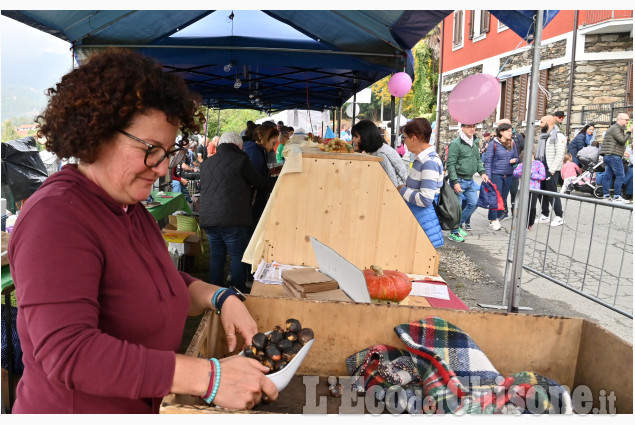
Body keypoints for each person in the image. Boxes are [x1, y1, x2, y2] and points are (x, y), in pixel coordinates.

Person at [6, 48, 278, 414]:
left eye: (168, 150)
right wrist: (208, 378)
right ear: (97, 134)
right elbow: (68, 351)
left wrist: (219, 297)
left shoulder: (128, 207)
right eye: (151, 150)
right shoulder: (55, 216)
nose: (163, 167)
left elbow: (161, 281)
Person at [199, 132, 275, 293]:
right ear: (238, 146)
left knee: (217, 256)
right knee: (237, 256)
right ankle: (237, 291)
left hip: (209, 218)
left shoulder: (206, 163)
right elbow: (260, 183)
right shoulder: (241, 160)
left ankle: (215, 292)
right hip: (233, 218)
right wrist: (279, 180)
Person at [396, 118, 444, 248]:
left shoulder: (429, 162)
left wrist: (401, 189)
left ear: (414, 138)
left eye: (404, 137)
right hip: (420, 221)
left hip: (424, 222)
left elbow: (425, 199)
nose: (403, 142)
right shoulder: (421, 159)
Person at [445, 122, 489, 242]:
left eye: (473, 126)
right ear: (462, 128)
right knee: (457, 208)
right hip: (459, 179)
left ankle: (458, 225)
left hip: (470, 179)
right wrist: (454, 182)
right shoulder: (455, 144)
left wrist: (482, 173)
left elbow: (477, 160)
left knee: (474, 203)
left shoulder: (474, 143)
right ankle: (453, 233)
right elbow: (451, 164)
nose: (472, 129)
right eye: (469, 127)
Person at [352, 119, 408, 188]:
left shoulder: (381, 155)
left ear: (366, 137)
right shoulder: (374, 150)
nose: (353, 139)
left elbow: (392, 185)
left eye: (356, 136)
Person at [483, 123, 519, 230]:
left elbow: (516, 157)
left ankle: (497, 217)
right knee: (495, 198)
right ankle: (493, 220)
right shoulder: (493, 144)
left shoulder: (512, 143)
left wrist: (515, 160)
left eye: (511, 131)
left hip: (508, 175)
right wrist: (488, 176)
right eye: (508, 131)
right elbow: (488, 161)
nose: (510, 133)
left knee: (502, 198)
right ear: (501, 132)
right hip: (496, 174)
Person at [244, 126, 278, 225]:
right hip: (253, 202)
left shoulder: (257, 150)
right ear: (265, 139)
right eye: (273, 142)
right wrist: (274, 181)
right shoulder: (254, 152)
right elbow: (255, 179)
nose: (273, 146)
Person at [599, 112, 632, 203]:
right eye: (626, 120)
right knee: (620, 175)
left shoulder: (615, 128)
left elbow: (615, 143)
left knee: (607, 176)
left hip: (609, 155)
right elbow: (622, 140)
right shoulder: (616, 128)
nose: (627, 122)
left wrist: (623, 152)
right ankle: (617, 197)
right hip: (613, 156)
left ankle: (606, 196)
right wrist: (629, 131)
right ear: (620, 119)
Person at [513, 146, 546, 230]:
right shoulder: (522, 165)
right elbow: (515, 173)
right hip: (523, 188)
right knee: (523, 206)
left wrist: (531, 174)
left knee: (532, 207)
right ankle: (522, 223)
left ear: (533, 155)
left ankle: (530, 222)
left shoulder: (539, 164)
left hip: (534, 188)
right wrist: (522, 171)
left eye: (531, 156)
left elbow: (542, 176)